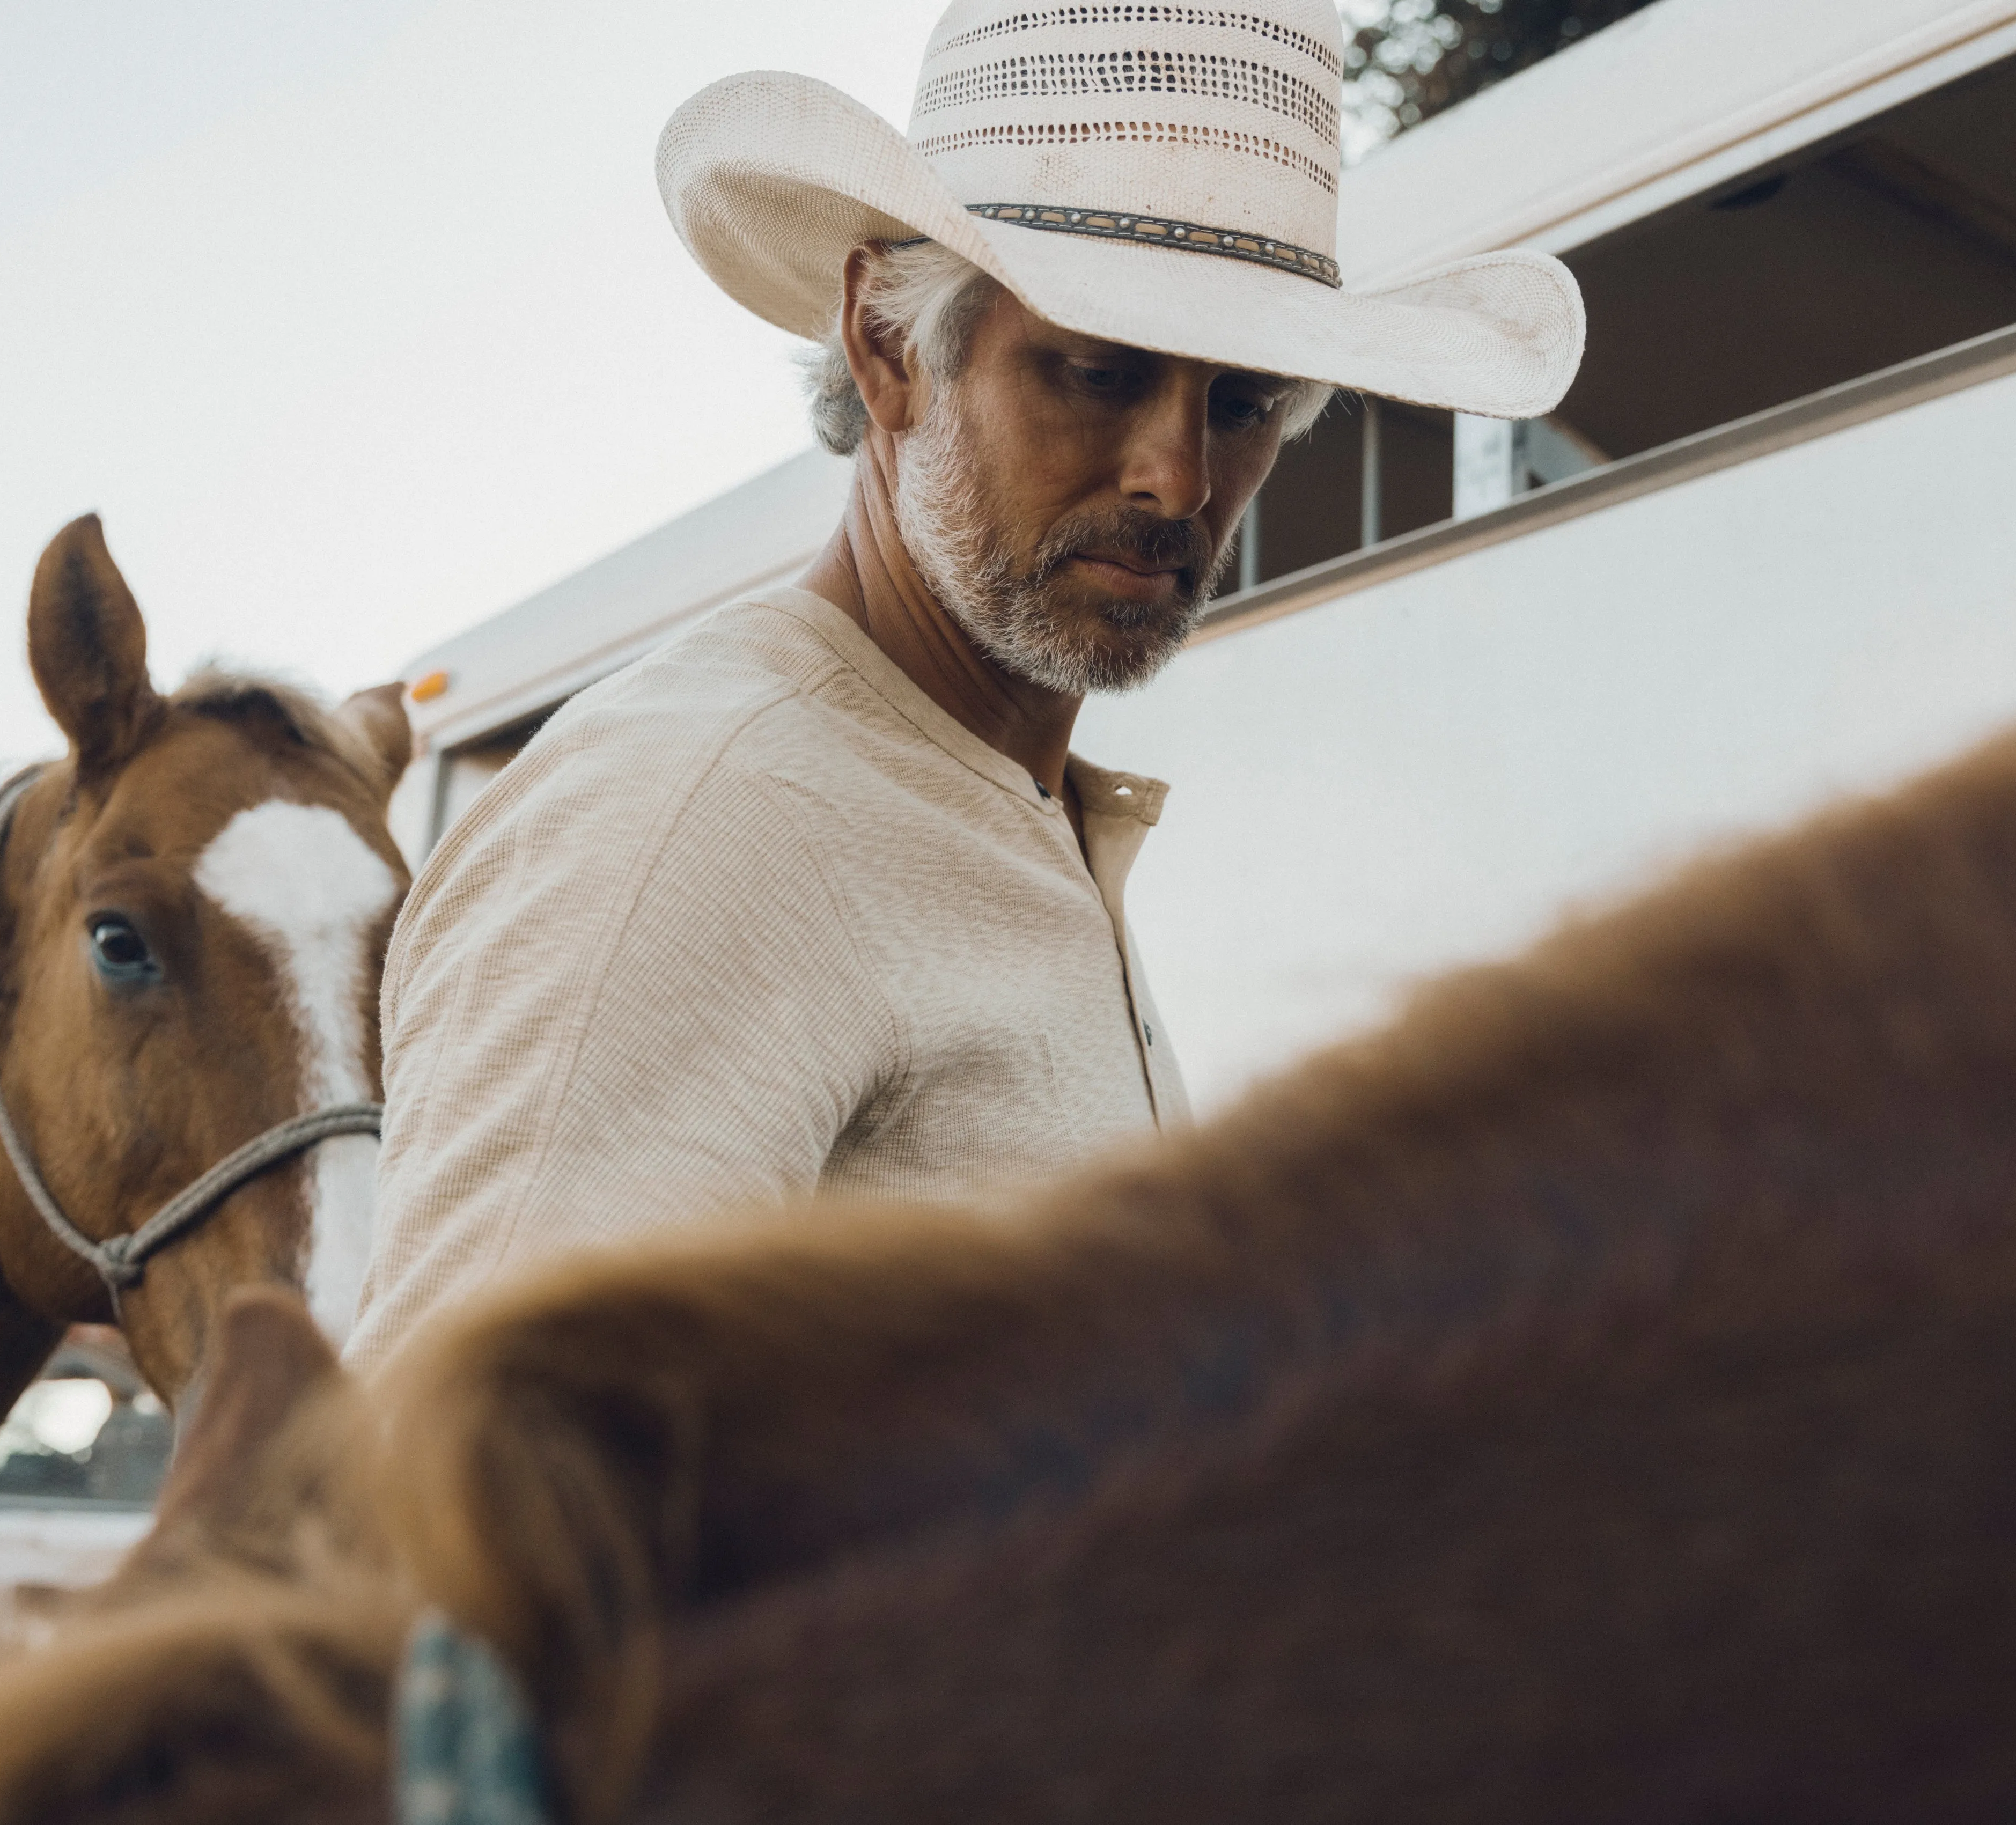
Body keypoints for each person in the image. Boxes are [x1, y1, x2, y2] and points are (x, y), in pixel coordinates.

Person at [344, 0, 1585, 1364]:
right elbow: (459, 1479)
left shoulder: (998, 802)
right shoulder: (697, 817)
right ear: (887, 346)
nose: (1179, 477)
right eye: (1097, 372)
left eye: (1244, 405)